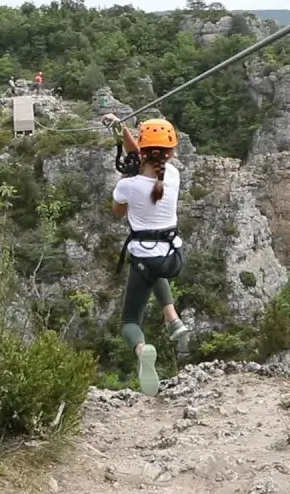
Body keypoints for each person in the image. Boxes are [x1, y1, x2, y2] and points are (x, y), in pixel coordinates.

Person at [102, 113, 191, 396]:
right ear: (172, 152)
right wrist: (121, 128)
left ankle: (142, 350)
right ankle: (172, 316)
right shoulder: (174, 176)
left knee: (130, 322)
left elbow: (118, 213)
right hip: (172, 257)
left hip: (144, 258)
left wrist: (128, 178)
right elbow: (143, 153)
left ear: (143, 152)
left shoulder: (127, 186)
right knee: (155, 268)